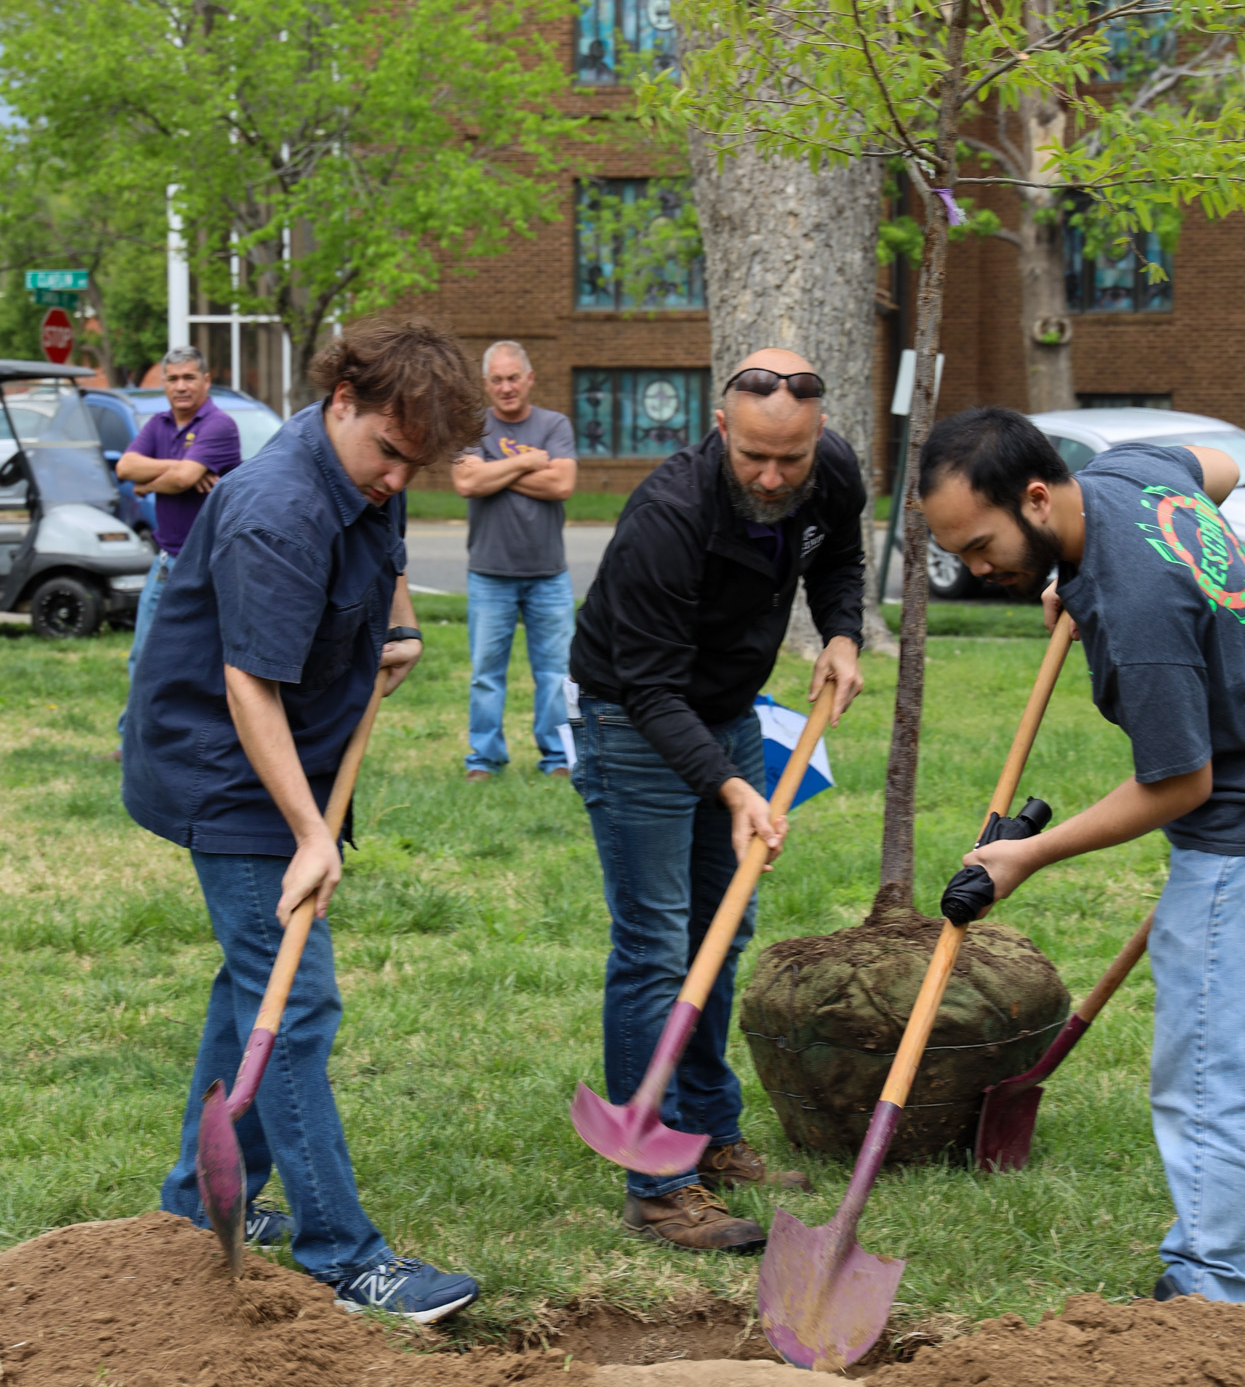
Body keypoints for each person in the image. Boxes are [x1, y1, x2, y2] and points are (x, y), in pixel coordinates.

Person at [919, 405, 1245, 1312]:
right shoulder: (1130, 474)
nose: (974, 568)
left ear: (1037, 497)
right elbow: (1218, 472)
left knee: (1213, 1073)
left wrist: (1027, 855)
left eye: (981, 544)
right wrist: (1069, 579)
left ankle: (1207, 1301)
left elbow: (1179, 785)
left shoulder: (1135, 610)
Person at [123, 318, 485, 1322]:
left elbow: (383, 537)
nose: (397, 479)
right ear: (341, 401)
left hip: (282, 753)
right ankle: (342, 1249)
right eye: (389, 454)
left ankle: (197, 1202)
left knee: (253, 981)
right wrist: (313, 833)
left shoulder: (365, 466)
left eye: (417, 464)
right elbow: (248, 689)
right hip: (225, 770)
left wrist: (398, 617)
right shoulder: (276, 509)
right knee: (298, 1001)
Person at [569, 348, 866, 1253]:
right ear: (720, 430)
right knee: (659, 947)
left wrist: (844, 633)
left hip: (729, 710)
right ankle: (658, 1185)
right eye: (754, 459)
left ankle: (708, 1130)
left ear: (816, 437)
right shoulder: (667, 516)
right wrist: (734, 787)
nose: (774, 478)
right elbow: (652, 691)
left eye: (792, 459)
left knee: (719, 932)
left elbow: (841, 555)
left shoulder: (830, 471)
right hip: (634, 721)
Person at [452, 340, 577, 779]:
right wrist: (530, 463)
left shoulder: (554, 424)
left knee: (556, 674)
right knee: (486, 674)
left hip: (549, 574)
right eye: (497, 380)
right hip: (490, 572)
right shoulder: (472, 426)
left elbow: (562, 485)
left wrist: (496, 471)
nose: (506, 388)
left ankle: (559, 758)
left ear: (529, 379)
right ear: (486, 384)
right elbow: (466, 484)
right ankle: (484, 759)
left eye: (513, 378)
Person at [115, 346, 242, 738]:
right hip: (168, 561)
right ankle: (134, 743)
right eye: (172, 378)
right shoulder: (158, 425)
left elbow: (184, 481)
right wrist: (175, 469)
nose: (181, 386)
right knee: (145, 654)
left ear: (206, 381)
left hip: (212, 564)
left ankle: (206, 741)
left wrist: (149, 481)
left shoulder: (218, 426)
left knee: (208, 660)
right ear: (164, 383)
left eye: (189, 377)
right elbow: (124, 467)